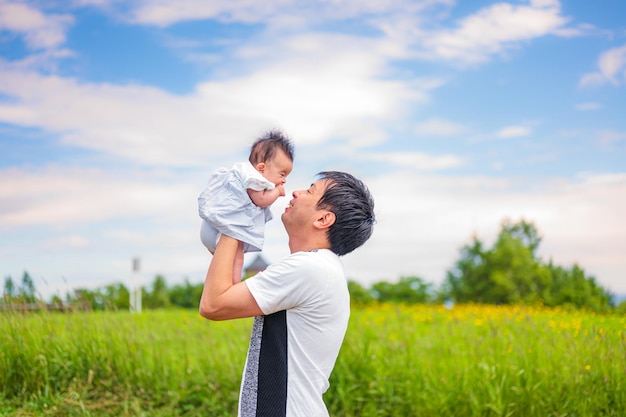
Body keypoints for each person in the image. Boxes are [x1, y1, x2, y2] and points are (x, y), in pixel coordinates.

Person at [199, 171, 376, 417]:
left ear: (323, 219)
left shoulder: (308, 269)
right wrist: (236, 228)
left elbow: (213, 304)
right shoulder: (318, 268)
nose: (296, 192)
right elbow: (226, 291)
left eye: (310, 191)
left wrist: (233, 219)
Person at [198, 130, 294, 284]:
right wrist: (276, 192)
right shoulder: (254, 179)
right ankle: (233, 285)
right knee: (237, 259)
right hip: (221, 230)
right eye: (282, 174)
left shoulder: (241, 173)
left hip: (210, 228)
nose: (284, 181)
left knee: (225, 261)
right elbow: (260, 200)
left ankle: (223, 281)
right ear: (261, 168)